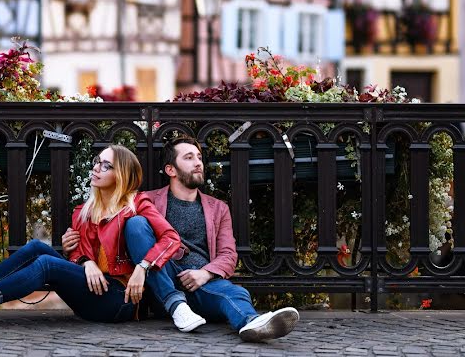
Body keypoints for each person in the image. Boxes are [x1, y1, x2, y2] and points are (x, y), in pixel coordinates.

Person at [0, 144, 204, 330]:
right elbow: (76, 254)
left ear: (121, 174)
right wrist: (86, 262)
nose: (96, 168)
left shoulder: (137, 204)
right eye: (96, 162)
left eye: (105, 165)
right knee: (36, 247)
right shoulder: (83, 211)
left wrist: (143, 267)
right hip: (92, 292)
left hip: (120, 300)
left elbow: (171, 239)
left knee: (48, 265)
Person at [63, 136, 299, 342]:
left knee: (233, 293)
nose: (198, 162)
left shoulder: (218, 209)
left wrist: (204, 274)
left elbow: (228, 255)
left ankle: (253, 324)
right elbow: (102, 218)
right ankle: (176, 305)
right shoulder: (145, 200)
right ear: (170, 170)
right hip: (159, 277)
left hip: (199, 281)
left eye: (199, 157)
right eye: (188, 157)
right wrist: (75, 241)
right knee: (136, 224)